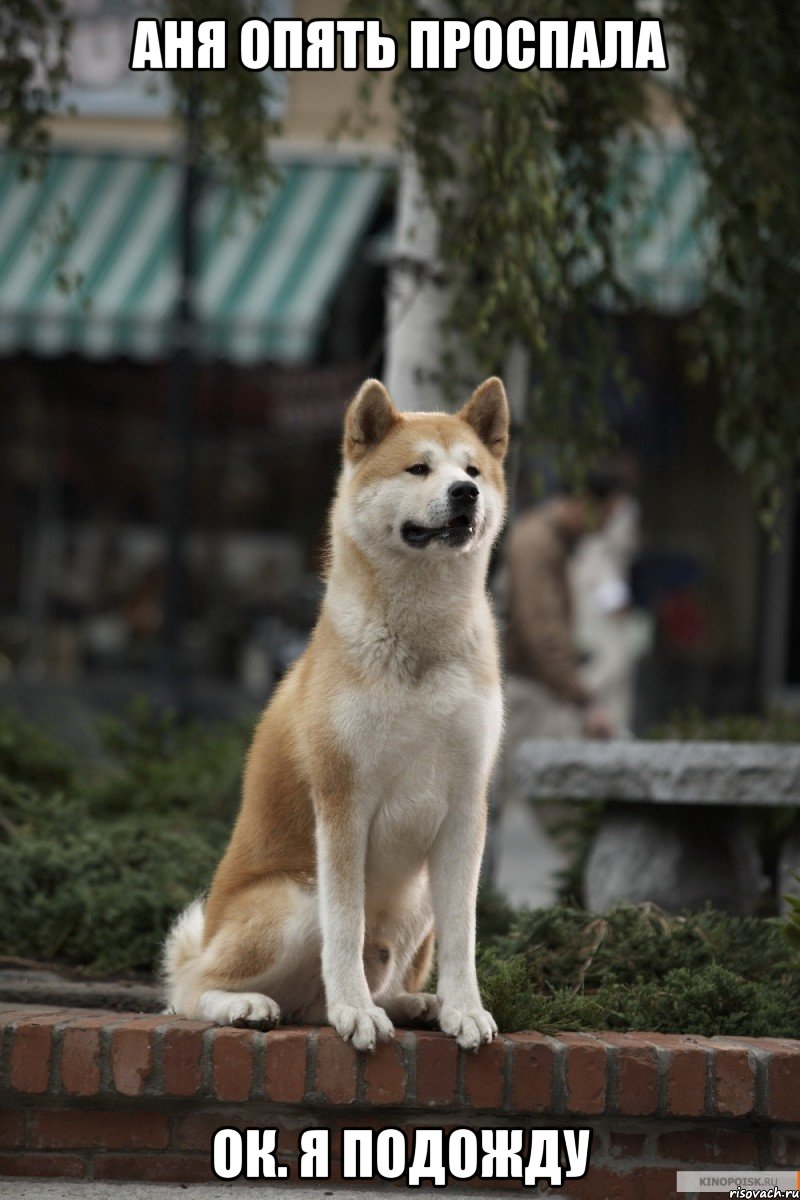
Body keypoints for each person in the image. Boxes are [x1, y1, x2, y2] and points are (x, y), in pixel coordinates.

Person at [504, 470, 627, 743]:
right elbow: (542, 630)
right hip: (527, 691)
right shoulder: (538, 544)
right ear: (586, 502)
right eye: (606, 515)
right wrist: (583, 701)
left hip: (537, 687)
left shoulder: (551, 541)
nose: (605, 527)